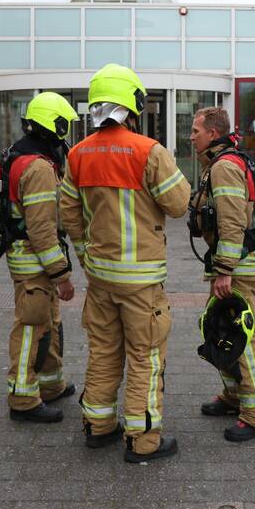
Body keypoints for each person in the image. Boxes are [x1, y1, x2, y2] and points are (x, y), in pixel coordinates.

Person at [59, 64, 191, 463]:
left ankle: (98, 427)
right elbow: (180, 203)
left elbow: (69, 213)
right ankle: (143, 440)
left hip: (100, 279)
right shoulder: (149, 151)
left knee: (103, 351)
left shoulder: (78, 154)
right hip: (142, 281)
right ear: (132, 104)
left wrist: (85, 257)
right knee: (145, 357)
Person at [188, 107, 255, 441]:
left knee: (242, 337)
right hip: (231, 265)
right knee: (218, 328)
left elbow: (233, 223)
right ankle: (234, 395)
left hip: (238, 268)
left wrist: (224, 270)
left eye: (195, 130)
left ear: (212, 133)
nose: (190, 136)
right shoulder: (219, 164)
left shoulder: (224, 167)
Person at [3, 93, 79, 423]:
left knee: (49, 322)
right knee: (32, 327)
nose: (67, 133)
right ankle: (23, 399)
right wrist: (61, 274)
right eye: (65, 126)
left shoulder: (23, 157)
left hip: (32, 260)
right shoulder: (38, 168)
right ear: (54, 125)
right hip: (34, 263)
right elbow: (42, 228)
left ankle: (50, 385)